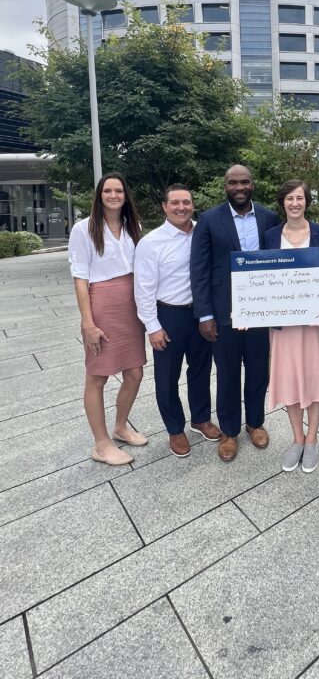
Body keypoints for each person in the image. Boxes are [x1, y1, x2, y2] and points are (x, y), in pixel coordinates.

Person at [190, 164, 280, 462]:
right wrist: (205, 315)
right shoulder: (208, 219)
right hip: (223, 312)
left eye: (244, 182)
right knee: (227, 374)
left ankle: (255, 423)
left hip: (259, 312)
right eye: (233, 183)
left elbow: (280, 263)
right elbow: (199, 269)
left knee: (257, 371)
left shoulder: (268, 217)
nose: (239, 187)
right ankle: (229, 431)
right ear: (225, 186)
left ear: (252, 184)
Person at [134, 184, 221, 458]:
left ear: (192, 205)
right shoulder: (151, 243)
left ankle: (200, 419)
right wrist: (153, 326)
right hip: (168, 315)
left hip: (201, 314)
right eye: (175, 203)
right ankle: (174, 428)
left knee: (201, 369)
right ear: (164, 206)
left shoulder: (203, 232)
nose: (181, 207)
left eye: (186, 202)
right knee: (167, 376)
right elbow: (143, 289)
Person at [68, 172, 147, 466]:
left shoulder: (133, 226)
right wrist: (88, 323)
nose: (113, 196)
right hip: (101, 304)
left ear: (126, 196)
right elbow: (80, 277)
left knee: (135, 373)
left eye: (118, 191)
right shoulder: (84, 229)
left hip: (131, 306)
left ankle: (120, 426)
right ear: (99, 196)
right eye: (107, 191)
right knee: (98, 375)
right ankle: (101, 444)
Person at [265, 180, 319, 474]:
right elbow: (258, 275)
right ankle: (296, 438)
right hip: (283, 323)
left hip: (314, 320)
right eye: (290, 198)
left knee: (315, 375)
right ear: (283, 203)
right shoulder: (269, 236)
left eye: (300, 198)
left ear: (306, 201)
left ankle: (313, 439)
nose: (295, 203)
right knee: (288, 376)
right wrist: (246, 312)